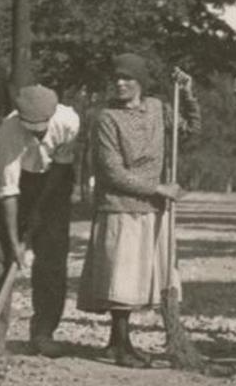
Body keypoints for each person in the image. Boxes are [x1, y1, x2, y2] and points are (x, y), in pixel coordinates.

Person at [77, 53, 198, 367]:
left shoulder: (158, 108)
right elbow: (111, 172)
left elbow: (188, 130)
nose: (120, 83)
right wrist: (158, 188)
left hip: (153, 208)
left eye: (128, 78)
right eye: (116, 78)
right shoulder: (106, 118)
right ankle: (118, 343)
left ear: (141, 82)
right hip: (119, 206)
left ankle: (125, 343)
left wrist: (186, 92)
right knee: (122, 276)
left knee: (144, 275)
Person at [0, 84, 81, 357]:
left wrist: (41, 211)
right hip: (18, 186)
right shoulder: (9, 131)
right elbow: (8, 190)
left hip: (55, 182)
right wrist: (15, 241)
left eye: (41, 126)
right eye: (30, 127)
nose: (37, 132)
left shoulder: (69, 121)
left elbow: (61, 168)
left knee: (52, 260)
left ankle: (43, 333)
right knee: (0, 258)